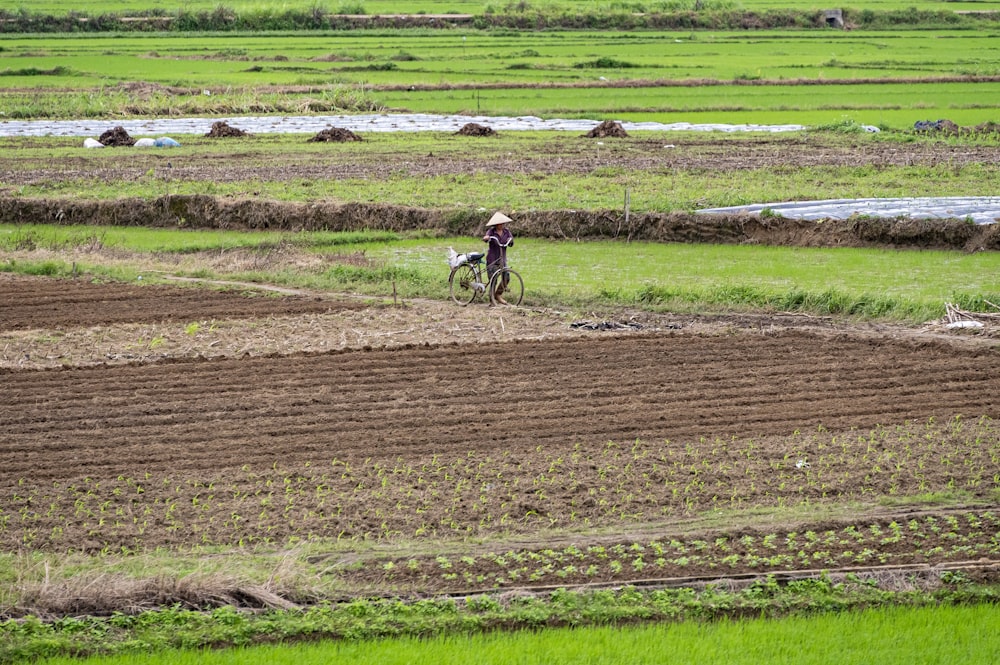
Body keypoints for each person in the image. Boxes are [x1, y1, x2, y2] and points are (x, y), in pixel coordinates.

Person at [482, 211, 514, 304]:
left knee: (506, 277)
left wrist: (510, 240)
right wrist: (487, 238)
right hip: (492, 259)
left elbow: (511, 241)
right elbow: (486, 237)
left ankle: (498, 294)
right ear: (496, 224)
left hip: (502, 259)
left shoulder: (506, 232)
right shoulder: (491, 231)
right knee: (493, 280)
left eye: (502, 223)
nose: (501, 225)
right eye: (499, 223)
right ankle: (491, 299)